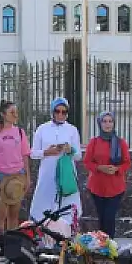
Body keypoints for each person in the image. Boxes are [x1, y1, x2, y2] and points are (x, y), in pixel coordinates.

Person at [29, 97, 82, 227]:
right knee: (44, 206)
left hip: (66, 176)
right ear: (52, 112)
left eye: (64, 112)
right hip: (47, 174)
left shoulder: (72, 130)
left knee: (67, 209)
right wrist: (46, 152)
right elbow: (33, 153)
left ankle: (65, 237)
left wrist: (70, 150)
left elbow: (78, 156)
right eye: (57, 111)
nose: (60, 114)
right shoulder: (42, 129)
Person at [84, 111, 132, 238]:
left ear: (114, 123)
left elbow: (127, 163)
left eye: (110, 121)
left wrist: (116, 169)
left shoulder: (121, 143)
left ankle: (109, 246)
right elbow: (87, 162)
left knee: (109, 218)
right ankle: (102, 247)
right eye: (104, 121)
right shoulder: (94, 142)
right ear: (100, 123)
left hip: (115, 188)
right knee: (102, 219)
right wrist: (100, 168)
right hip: (97, 187)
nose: (107, 124)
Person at [0, 101, 32, 230]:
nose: (15, 115)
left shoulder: (20, 132)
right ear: (3, 114)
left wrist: (27, 176)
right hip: (0, 176)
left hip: (17, 175)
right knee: (0, 216)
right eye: (12, 112)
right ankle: (0, 242)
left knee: (14, 215)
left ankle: (12, 242)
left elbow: (25, 155)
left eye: (16, 112)